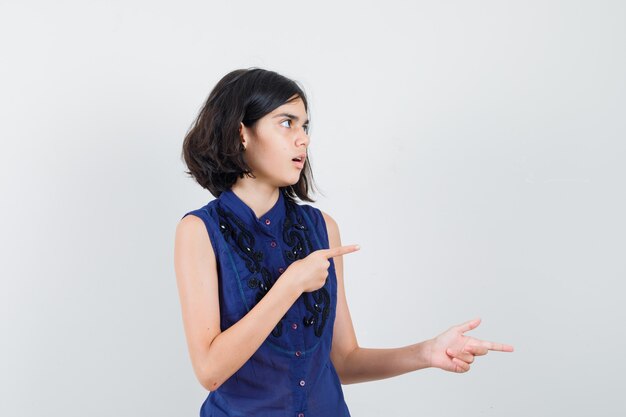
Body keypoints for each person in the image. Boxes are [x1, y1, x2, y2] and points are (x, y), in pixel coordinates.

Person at [173, 68, 514, 417]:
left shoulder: (323, 229)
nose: (302, 139)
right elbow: (210, 371)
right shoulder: (200, 230)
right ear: (241, 132)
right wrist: (289, 286)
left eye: (305, 126)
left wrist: (426, 353)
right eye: (286, 123)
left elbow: (344, 360)